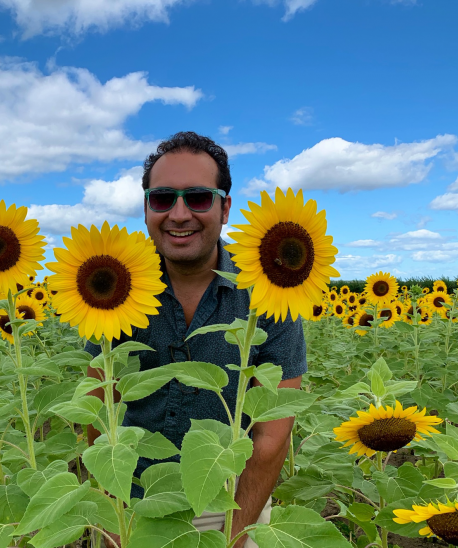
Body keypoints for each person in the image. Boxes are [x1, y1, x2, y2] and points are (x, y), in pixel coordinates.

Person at [85, 131, 307, 548]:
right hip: (134, 499)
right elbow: (99, 413)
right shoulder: (114, 282)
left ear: (224, 208)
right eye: (163, 198)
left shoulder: (270, 287)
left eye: (199, 198)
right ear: (147, 207)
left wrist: (235, 535)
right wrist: (112, 516)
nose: (179, 213)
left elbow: (272, 434)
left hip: (227, 501)